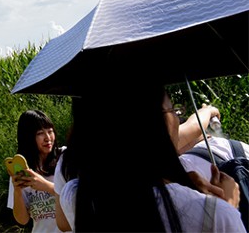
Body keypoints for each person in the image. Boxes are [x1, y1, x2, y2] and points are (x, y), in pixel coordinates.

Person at [56, 78, 244, 232]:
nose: (177, 119)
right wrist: (229, 207)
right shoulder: (215, 216)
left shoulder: (74, 196)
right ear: (157, 123)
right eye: (173, 110)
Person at [5, 110, 63, 232]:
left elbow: (78, 196)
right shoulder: (20, 169)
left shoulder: (65, 158)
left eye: (50, 131)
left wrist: (46, 186)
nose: (48, 138)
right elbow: (22, 220)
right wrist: (17, 191)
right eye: (40, 133)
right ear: (28, 138)